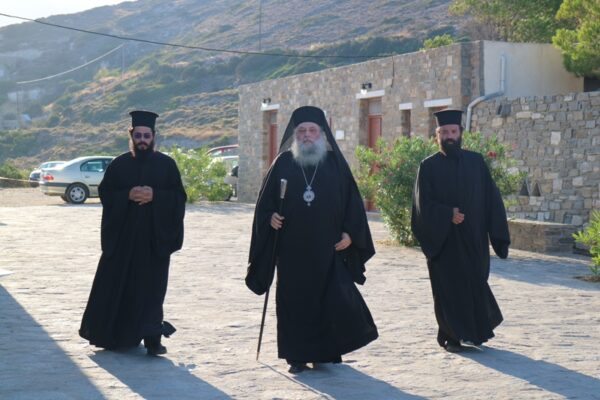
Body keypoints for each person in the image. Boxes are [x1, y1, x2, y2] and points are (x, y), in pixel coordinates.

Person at [246, 106, 378, 373]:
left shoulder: (335, 164)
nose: (307, 135)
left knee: (329, 301)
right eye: (301, 131)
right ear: (294, 135)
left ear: (322, 134)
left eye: (312, 130)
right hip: (291, 250)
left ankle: (324, 354)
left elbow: (352, 204)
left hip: (327, 249)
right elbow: (264, 204)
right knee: (293, 302)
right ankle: (295, 357)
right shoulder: (283, 163)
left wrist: (350, 234)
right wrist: (270, 217)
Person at [79, 110, 187, 356]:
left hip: (153, 242)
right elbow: (106, 194)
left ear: (154, 136)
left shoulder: (167, 165)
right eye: (138, 135)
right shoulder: (119, 164)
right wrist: (127, 195)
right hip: (123, 242)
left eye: (146, 136)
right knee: (119, 287)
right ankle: (115, 336)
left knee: (152, 292)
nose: (142, 140)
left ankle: (152, 340)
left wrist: (155, 195)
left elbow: (179, 198)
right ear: (131, 136)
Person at [411, 109, 510, 353]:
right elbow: (422, 206)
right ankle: (451, 337)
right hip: (444, 242)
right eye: (444, 132)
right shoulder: (428, 166)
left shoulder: (476, 162)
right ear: (437, 135)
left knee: (475, 284)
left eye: (453, 131)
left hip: (474, 239)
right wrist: (447, 214)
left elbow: (492, 199)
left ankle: (474, 333)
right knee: (448, 289)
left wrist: (498, 235)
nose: (449, 136)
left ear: (460, 133)